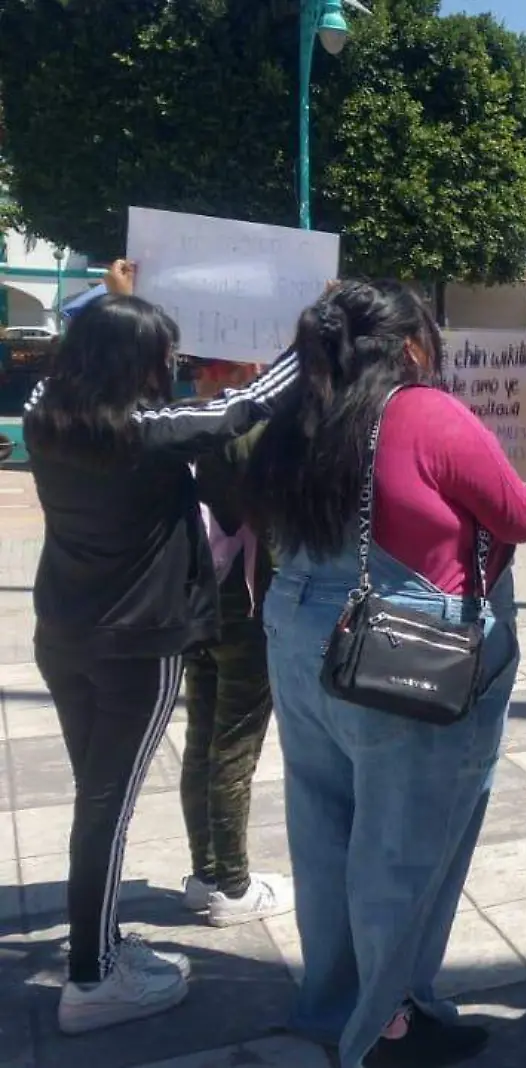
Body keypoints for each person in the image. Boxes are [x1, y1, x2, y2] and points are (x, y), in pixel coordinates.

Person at [247, 281, 526, 1068]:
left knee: (322, 836)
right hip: (398, 644)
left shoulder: (300, 412)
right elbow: (520, 515)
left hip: (299, 630)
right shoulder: (422, 411)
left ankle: (333, 1007)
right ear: (412, 343)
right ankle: (384, 1029)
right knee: (402, 851)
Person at [23, 261, 301, 1035]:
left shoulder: (45, 412)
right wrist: (309, 342)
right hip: (137, 649)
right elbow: (245, 406)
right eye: (159, 361)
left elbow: (76, 353)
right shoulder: (147, 434)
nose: (167, 373)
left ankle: (101, 943)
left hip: (63, 636)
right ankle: (92, 979)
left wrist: (115, 306)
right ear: (134, 370)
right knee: (103, 812)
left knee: (95, 802)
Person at [177, 359, 287, 929]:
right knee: (234, 747)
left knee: (202, 739)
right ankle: (234, 885)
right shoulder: (245, 427)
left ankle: (204, 873)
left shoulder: (180, 423)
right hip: (245, 605)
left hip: (195, 601)